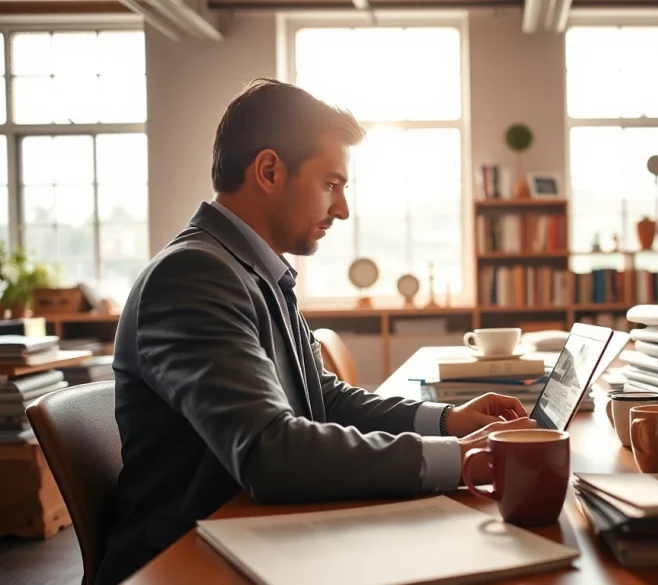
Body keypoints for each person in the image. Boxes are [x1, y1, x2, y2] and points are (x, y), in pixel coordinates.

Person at [94, 78, 536, 585]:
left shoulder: (254, 270)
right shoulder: (193, 275)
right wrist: (461, 460)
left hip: (259, 536)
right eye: (331, 183)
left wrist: (446, 422)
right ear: (268, 170)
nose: (343, 208)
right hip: (189, 561)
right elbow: (268, 452)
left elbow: (322, 398)